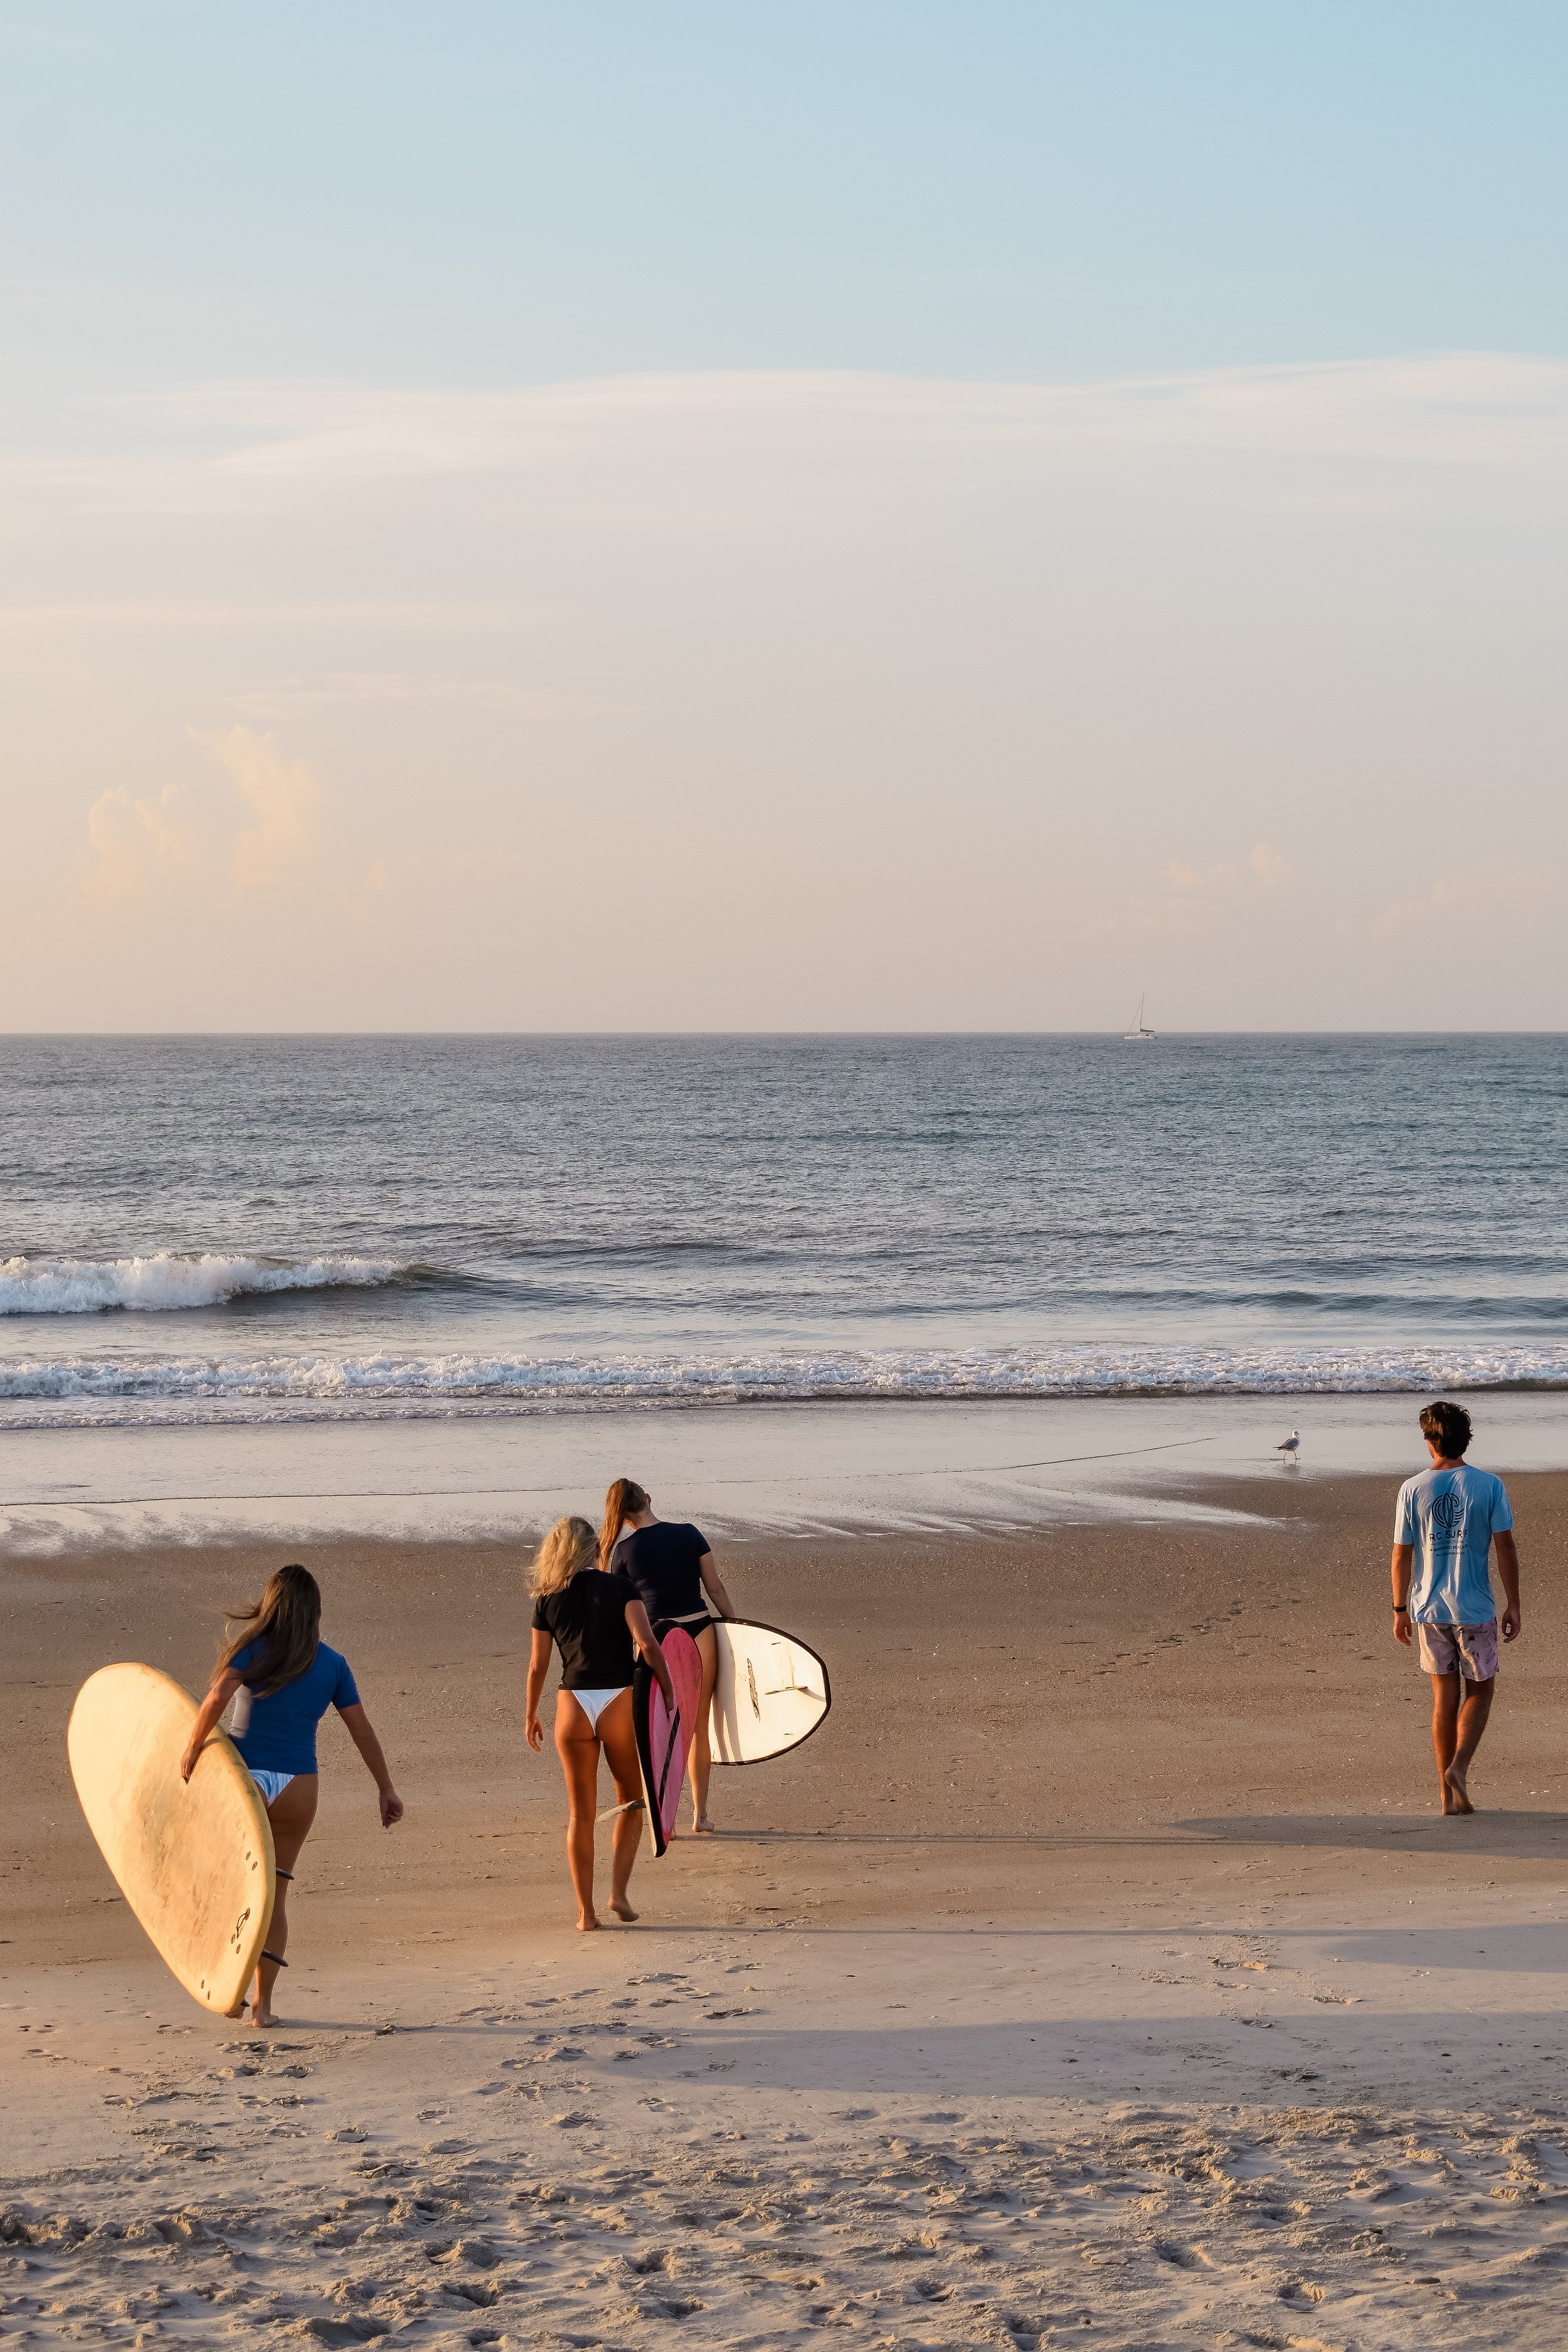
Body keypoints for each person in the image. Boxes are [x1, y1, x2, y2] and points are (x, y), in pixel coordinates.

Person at [179, 1563, 403, 2025]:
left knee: (230, 1887)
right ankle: (263, 2007)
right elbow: (361, 1730)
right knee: (275, 1896)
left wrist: (192, 1747)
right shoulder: (333, 1664)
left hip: (246, 1782)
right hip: (299, 1786)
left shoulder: (253, 1649)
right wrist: (385, 1787)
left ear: (272, 1604)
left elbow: (219, 1695)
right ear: (315, 1612)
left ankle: (230, 1985)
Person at [526, 1514, 675, 1932]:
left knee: (581, 1816)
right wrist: (668, 1691)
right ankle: (619, 1894)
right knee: (631, 1799)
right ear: (595, 1550)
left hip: (572, 1705)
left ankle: (585, 1915)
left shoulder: (547, 1598)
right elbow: (647, 1645)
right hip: (618, 1703)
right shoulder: (621, 1587)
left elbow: (539, 1664)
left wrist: (531, 1713)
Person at [1391, 1399, 1520, 1816]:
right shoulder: (1488, 1485)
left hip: (1428, 1608)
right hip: (1475, 1608)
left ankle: (1447, 1797)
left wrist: (1399, 1609)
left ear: (1431, 1442)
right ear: (1465, 1439)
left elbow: (1401, 1555)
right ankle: (1459, 1767)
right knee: (1481, 1689)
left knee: (1443, 1695)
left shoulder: (1413, 1488)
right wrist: (1513, 1603)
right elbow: (1505, 1547)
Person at [600, 1477, 736, 1834]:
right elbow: (716, 1588)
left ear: (624, 1518)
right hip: (700, 1631)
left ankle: (666, 1822)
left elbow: (622, 1612)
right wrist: (738, 1628)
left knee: (659, 1730)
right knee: (698, 1727)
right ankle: (701, 1816)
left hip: (657, 1641)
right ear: (647, 1498)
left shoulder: (624, 1553)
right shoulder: (690, 1533)